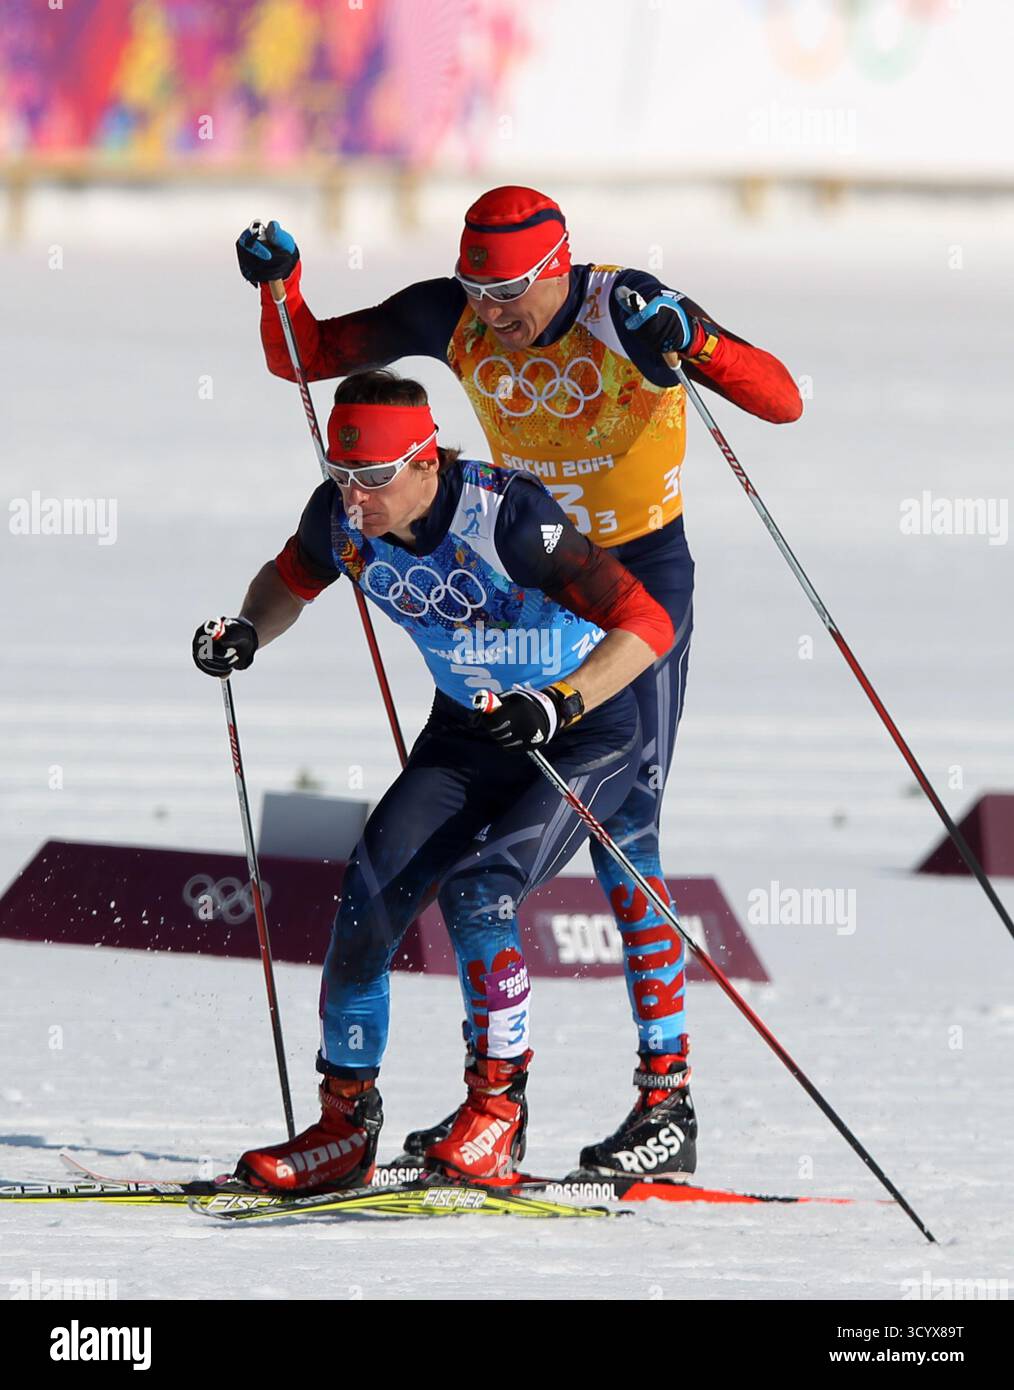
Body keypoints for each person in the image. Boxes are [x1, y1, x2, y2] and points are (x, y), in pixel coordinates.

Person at [235, 187, 803, 1178]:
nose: (491, 309)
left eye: (508, 290)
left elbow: (782, 398)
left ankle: (666, 1099)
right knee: (428, 850)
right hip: (518, 568)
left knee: (628, 836)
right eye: (475, 287)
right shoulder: (454, 316)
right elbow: (306, 357)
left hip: (632, 581)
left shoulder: (620, 306)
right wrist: (279, 283)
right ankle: (414, 1109)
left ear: (557, 267)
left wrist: (696, 347)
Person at [192, 370, 675, 1192]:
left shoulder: (511, 519)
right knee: (366, 902)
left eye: (374, 480)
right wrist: (246, 629)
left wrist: (559, 703)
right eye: (341, 478)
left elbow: (647, 622)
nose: (355, 500)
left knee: (478, 894)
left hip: (582, 734)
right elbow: (289, 581)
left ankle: (496, 1116)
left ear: (426, 463)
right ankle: (344, 1128)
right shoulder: (340, 519)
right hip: (466, 737)